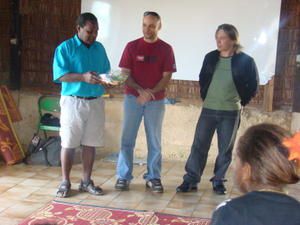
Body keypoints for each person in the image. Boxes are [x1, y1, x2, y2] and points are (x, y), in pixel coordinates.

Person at [177, 24, 259, 194]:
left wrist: (241, 101)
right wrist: (206, 96)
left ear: (233, 40)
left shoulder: (245, 61)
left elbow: (253, 85)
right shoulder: (210, 58)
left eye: (222, 38)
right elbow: (203, 78)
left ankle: (218, 180)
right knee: (199, 146)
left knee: (225, 149)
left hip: (231, 111)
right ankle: (191, 180)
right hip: (208, 109)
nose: (218, 41)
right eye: (217, 38)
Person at [115, 11, 176, 193]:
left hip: (156, 101)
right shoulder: (131, 46)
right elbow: (124, 74)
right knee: (127, 139)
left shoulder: (166, 49)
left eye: (151, 25)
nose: (147, 29)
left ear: (159, 26)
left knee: (154, 141)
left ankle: (153, 177)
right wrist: (140, 91)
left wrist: (150, 93)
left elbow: (166, 77)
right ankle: (123, 177)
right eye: (144, 25)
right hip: (132, 99)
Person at [53, 12, 111, 197]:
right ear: (78, 29)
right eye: (89, 31)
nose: (93, 35)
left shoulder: (99, 48)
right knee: (69, 143)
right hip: (73, 102)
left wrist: (110, 80)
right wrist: (83, 77)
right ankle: (65, 182)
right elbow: (60, 75)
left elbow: (105, 73)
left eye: (96, 32)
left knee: (90, 144)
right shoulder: (65, 48)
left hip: (95, 102)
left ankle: (86, 181)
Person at [211, 123, 300, 225]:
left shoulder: (230, 212)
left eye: (236, 159)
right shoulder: (297, 211)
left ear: (246, 171)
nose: (232, 167)